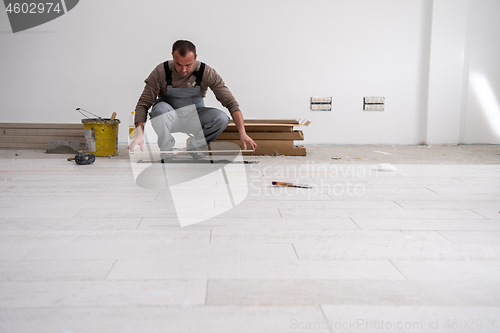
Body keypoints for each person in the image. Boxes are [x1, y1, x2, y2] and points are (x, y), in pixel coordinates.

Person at [128, 40, 256, 160]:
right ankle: (166, 150)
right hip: (170, 118)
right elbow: (143, 105)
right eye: (179, 64)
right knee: (159, 109)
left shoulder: (206, 72)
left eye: (188, 65)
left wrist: (243, 133)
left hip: (195, 118)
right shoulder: (161, 72)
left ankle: (195, 146)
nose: (183, 70)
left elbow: (231, 103)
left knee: (221, 118)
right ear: (173, 56)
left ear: (195, 57)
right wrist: (139, 134)